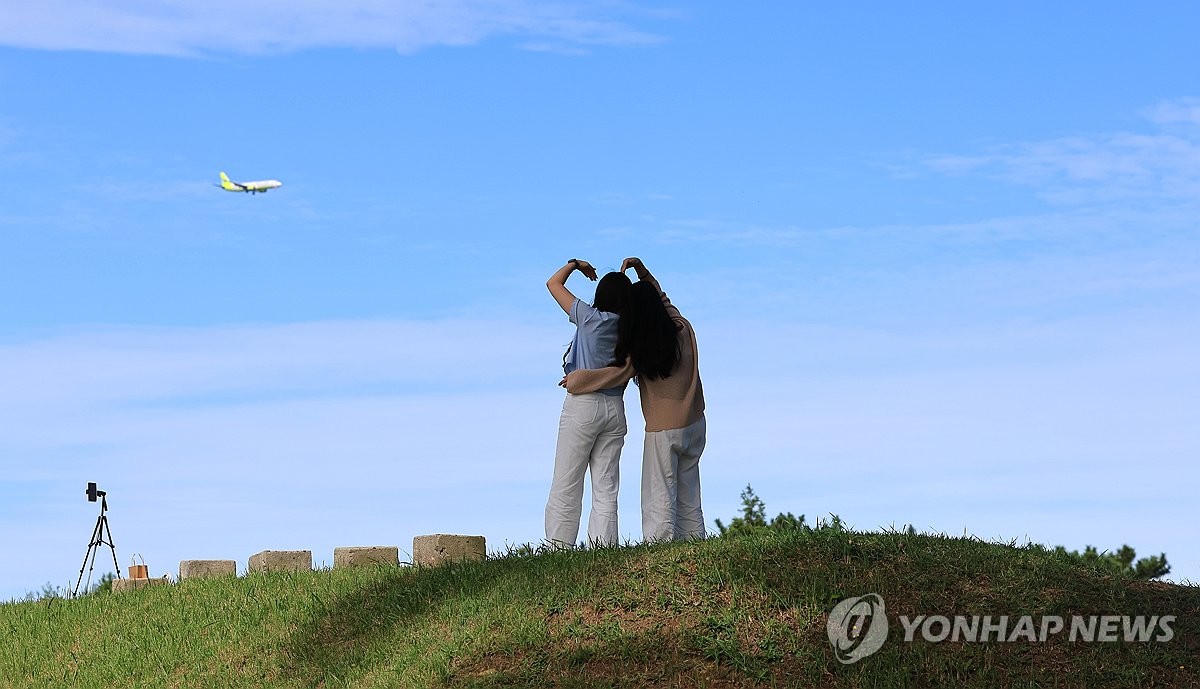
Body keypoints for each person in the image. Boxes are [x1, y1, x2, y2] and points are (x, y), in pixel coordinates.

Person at [563, 257, 706, 542]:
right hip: (696, 423)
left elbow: (614, 374)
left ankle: (659, 545)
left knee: (659, 494)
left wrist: (576, 380)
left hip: (663, 429)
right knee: (689, 492)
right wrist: (641, 270)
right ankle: (694, 541)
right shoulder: (682, 326)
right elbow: (660, 295)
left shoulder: (644, 348)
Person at [545, 259, 633, 548]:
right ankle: (603, 549)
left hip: (583, 405)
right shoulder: (631, 330)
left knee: (567, 481)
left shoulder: (590, 318)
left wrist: (574, 265)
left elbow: (553, 284)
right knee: (606, 487)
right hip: (615, 408)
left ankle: (558, 548)